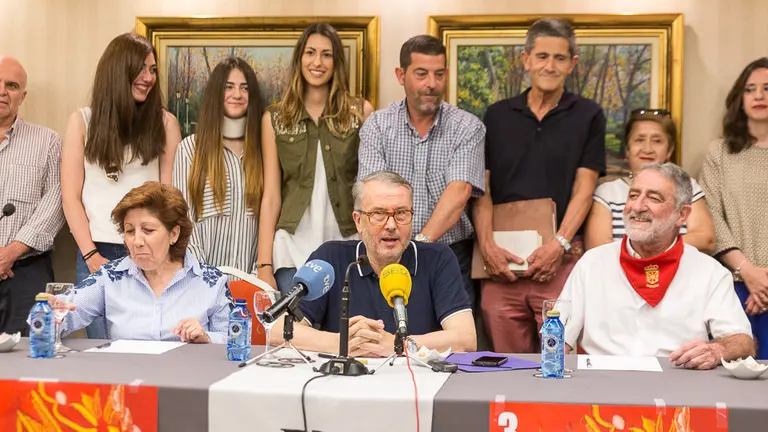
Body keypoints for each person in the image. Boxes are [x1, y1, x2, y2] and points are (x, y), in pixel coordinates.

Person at [474, 18, 606, 353]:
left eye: (560, 58)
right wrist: (487, 245)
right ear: (526, 59)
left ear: (572, 64)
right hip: (502, 264)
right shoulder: (497, 115)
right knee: (507, 364)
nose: (550, 65)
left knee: (559, 359)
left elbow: (584, 189)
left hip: (560, 261)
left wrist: (559, 245)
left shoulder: (588, 115)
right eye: (542, 56)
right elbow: (483, 188)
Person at [560, 163, 753, 369]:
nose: (638, 207)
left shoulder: (710, 272)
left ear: (682, 215)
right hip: (599, 385)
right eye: (633, 195)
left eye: (654, 198)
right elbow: (557, 334)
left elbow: (743, 341)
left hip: (678, 386)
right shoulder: (591, 264)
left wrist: (717, 350)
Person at [269, 171, 477, 357]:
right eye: (378, 214)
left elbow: (466, 340)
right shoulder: (330, 257)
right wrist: (343, 343)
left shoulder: (437, 258)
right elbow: (278, 331)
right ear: (358, 221)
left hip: (415, 387)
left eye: (402, 213)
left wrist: (399, 345)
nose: (391, 225)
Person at [61, 32, 182, 338]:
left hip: (149, 252)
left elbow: (170, 201)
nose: (148, 77)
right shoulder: (82, 121)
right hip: (96, 251)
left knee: (148, 343)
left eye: (153, 70)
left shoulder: (165, 124)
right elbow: (71, 198)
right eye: (140, 69)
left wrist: (162, 256)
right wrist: (91, 257)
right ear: (118, 70)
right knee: (102, 351)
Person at [357, 35, 485, 309]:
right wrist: (400, 246)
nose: (432, 84)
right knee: (386, 336)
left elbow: (459, 191)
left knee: (452, 343)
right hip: (386, 253)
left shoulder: (467, 127)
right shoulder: (378, 126)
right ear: (401, 75)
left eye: (439, 74)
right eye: (421, 74)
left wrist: (418, 246)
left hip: (451, 255)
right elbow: (373, 191)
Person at [260, 23, 374, 293]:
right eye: (310, 53)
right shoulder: (275, 119)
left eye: (327, 54)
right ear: (299, 58)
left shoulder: (361, 113)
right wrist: (264, 265)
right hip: (291, 247)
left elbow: (370, 188)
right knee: (298, 331)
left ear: (337, 63)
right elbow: (272, 195)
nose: (317, 62)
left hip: (347, 241)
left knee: (344, 329)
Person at [43, 182, 232, 344]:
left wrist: (208, 338)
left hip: (188, 381)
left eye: (148, 230)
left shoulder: (211, 281)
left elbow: (237, 340)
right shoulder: (110, 277)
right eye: (130, 231)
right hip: (125, 381)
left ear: (173, 234)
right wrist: (49, 314)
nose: (137, 241)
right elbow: (53, 319)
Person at [173, 57, 267, 277]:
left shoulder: (265, 153)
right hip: (200, 282)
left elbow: (270, 221)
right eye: (229, 87)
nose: (237, 95)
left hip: (251, 286)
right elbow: (183, 218)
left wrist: (254, 278)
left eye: (244, 88)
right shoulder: (189, 149)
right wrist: (204, 279)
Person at [700, 57, 768, 359]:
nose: (759, 96)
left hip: (761, 288)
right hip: (736, 287)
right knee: (742, 386)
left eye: (767, 88)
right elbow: (712, 214)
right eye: (750, 89)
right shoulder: (720, 152)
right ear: (739, 98)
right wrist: (749, 272)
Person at [585, 109, 715, 253]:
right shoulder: (607, 193)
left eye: (657, 141)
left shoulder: (688, 186)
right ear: (628, 150)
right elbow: (598, 248)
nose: (647, 149)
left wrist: (651, 253)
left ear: (669, 150)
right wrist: (642, 260)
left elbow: (705, 239)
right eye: (639, 140)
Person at [0, 56, 65, 335]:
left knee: (30, 360)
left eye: (11, 85)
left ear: (22, 95)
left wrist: (10, 252)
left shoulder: (47, 141)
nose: (2, 91)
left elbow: (56, 202)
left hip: (26, 273)